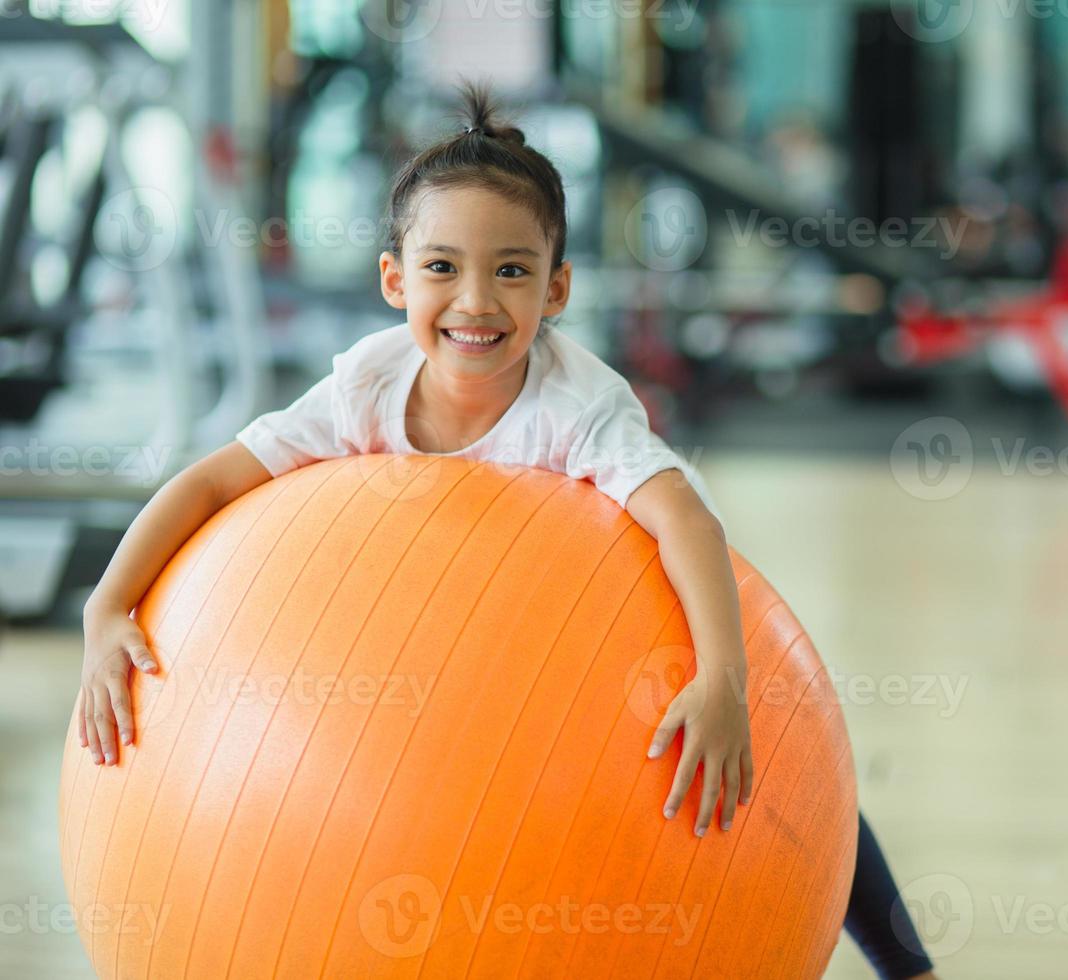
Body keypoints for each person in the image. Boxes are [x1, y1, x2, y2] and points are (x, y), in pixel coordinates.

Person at [76, 79, 937, 980]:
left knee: (792, 774)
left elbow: (681, 516)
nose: (476, 302)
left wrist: (724, 677)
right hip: (458, 661)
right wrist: (110, 605)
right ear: (393, 279)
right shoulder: (366, 385)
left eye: (513, 270)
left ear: (557, 286)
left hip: (632, 615)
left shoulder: (577, 404)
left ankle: (907, 967)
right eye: (442, 268)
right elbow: (215, 478)